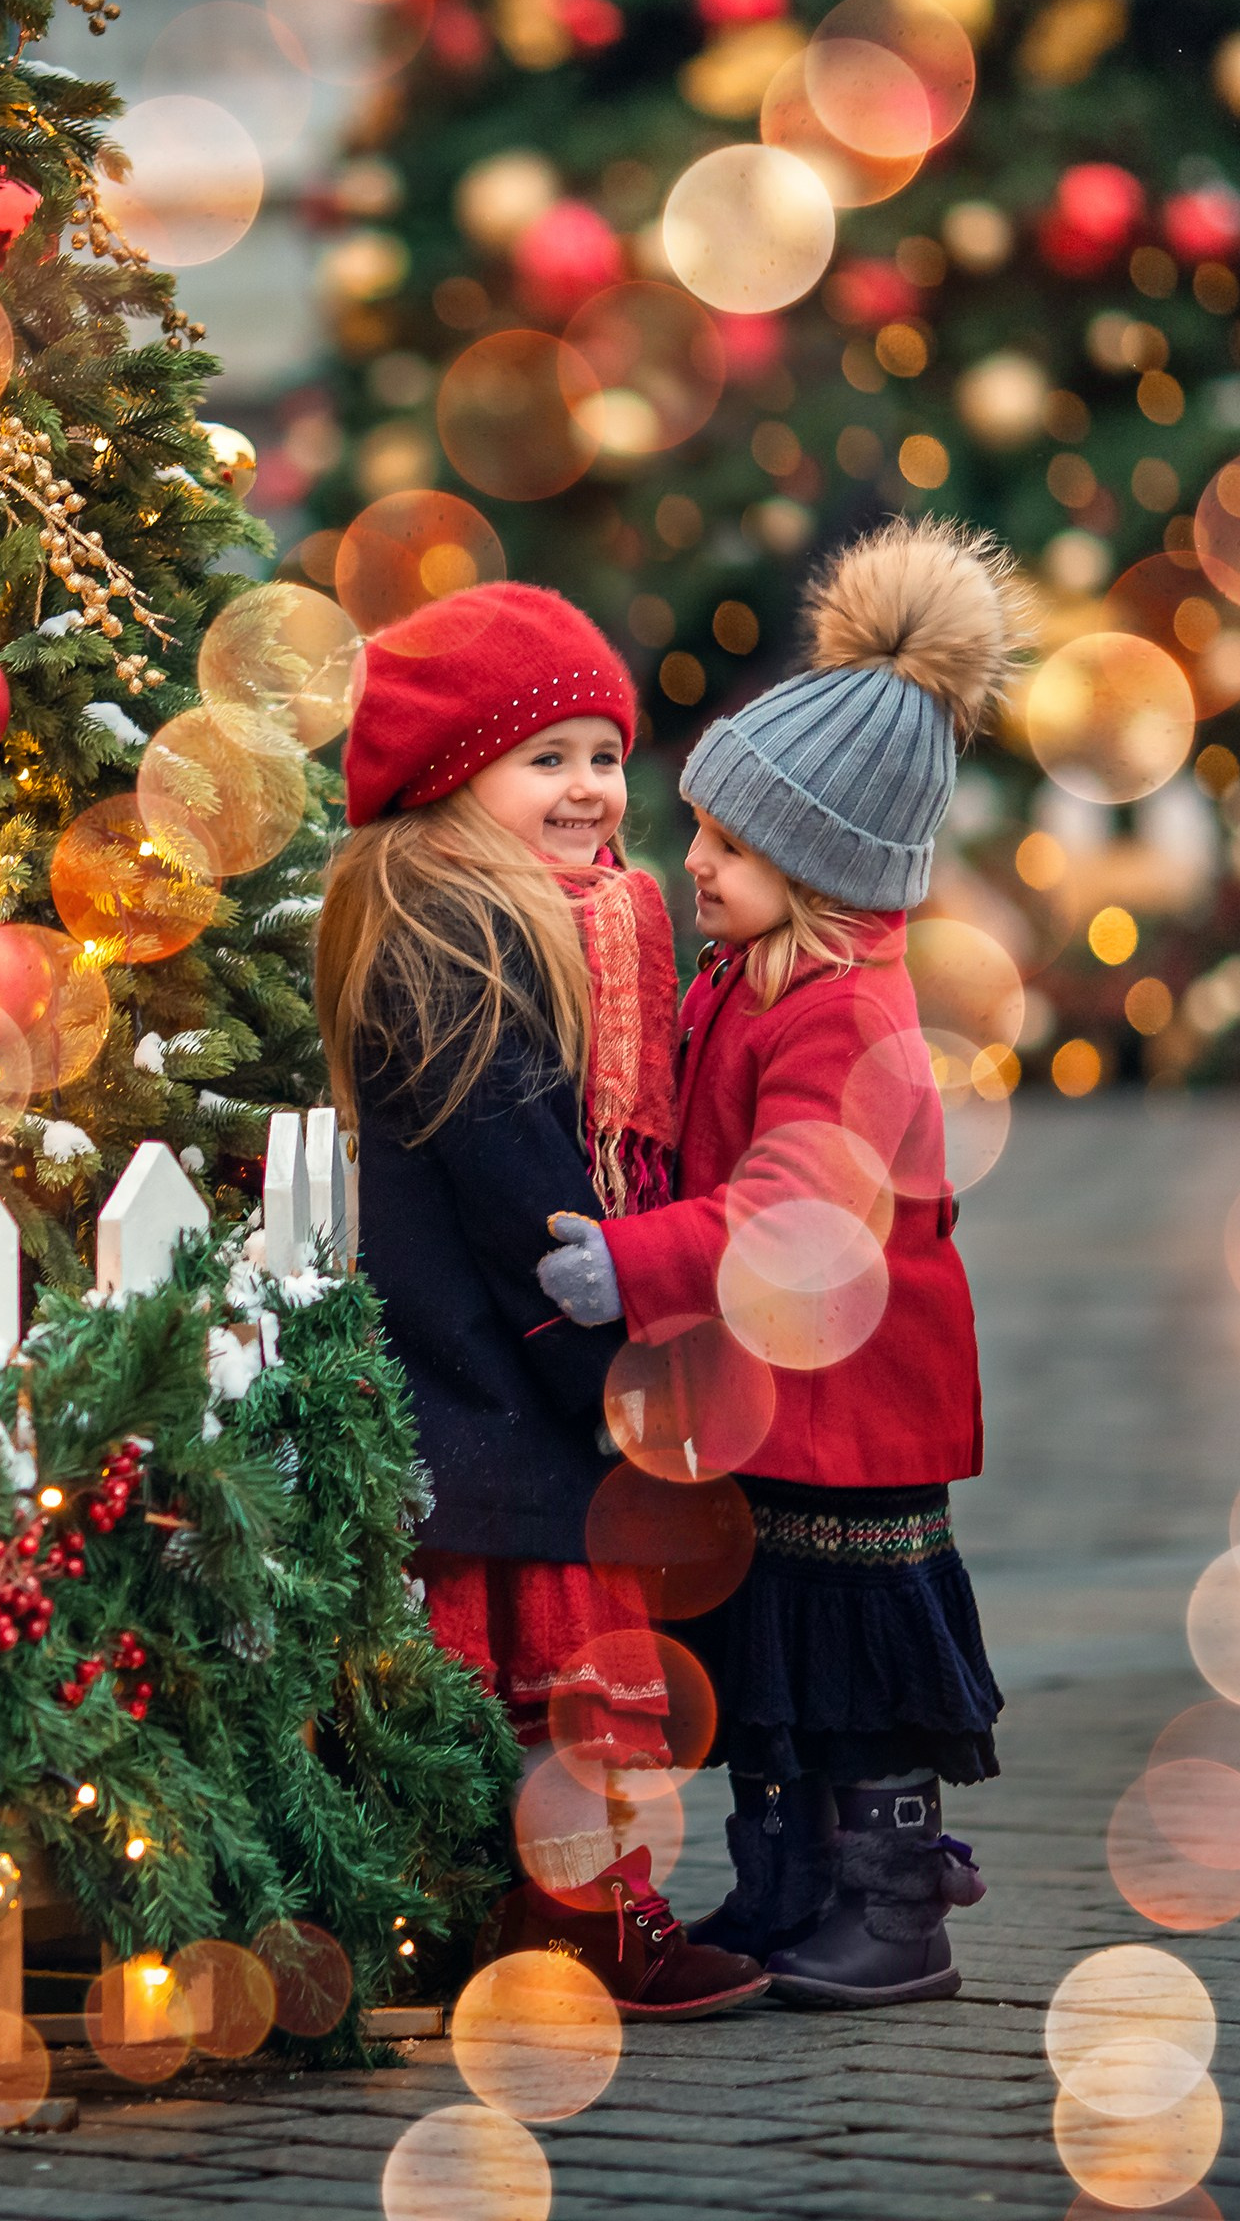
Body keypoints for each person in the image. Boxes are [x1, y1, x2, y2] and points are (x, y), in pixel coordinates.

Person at [538, 519, 1023, 2009]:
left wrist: (637, 1266)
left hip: (855, 1413)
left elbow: (799, 1212)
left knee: (851, 1662)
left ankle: (894, 1905)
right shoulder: (744, 984)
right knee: (772, 1650)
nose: (690, 865)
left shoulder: (847, 1020)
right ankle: (787, 1881)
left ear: (821, 867)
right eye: (697, 832)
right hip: (775, 1405)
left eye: (727, 849)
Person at [317, 579, 768, 2020]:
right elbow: (527, 1193)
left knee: (543, 1689)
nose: (589, 790)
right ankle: (582, 1923)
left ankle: (540, 1916)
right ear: (452, 781)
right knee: (556, 1691)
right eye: (546, 759)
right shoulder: (457, 938)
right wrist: (608, 1372)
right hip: (499, 1377)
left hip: (511, 1380)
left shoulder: (568, 925)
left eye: (601, 754)